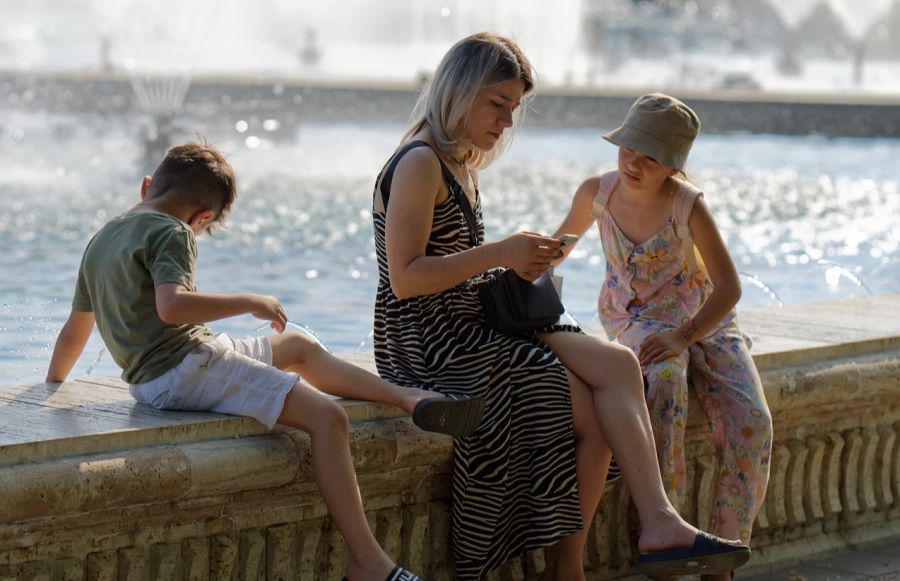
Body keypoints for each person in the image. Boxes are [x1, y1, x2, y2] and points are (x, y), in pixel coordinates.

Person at [372, 33, 751, 581]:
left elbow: (457, 263)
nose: (506, 122)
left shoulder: (460, 162)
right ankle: (568, 568)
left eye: (514, 109)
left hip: (474, 319)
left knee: (619, 366)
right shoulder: (420, 163)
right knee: (582, 406)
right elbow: (405, 281)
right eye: (497, 104)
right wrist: (502, 252)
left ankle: (657, 521)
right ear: (459, 91)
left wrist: (517, 264)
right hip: (429, 342)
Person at [45, 142, 486, 581]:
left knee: (296, 347)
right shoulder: (172, 232)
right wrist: (251, 301)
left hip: (165, 372)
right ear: (203, 219)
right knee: (328, 418)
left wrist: (51, 390)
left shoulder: (102, 238)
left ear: (147, 187)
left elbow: (73, 333)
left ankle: (409, 398)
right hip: (185, 369)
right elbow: (172, 307)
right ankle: (368, 562)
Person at [553, 93, 773, 581]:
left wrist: (685, 334)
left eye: (649, 156)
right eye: (628, 148)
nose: (633, 162)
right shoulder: (598, 193)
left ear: (672, 164)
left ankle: (723, 558)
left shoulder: (687, 205)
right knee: (665, 382)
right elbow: (557, 248)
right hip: (635, 320)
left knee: (753, 420)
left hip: (701, 319)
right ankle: (666, 539)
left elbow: (729, 287)